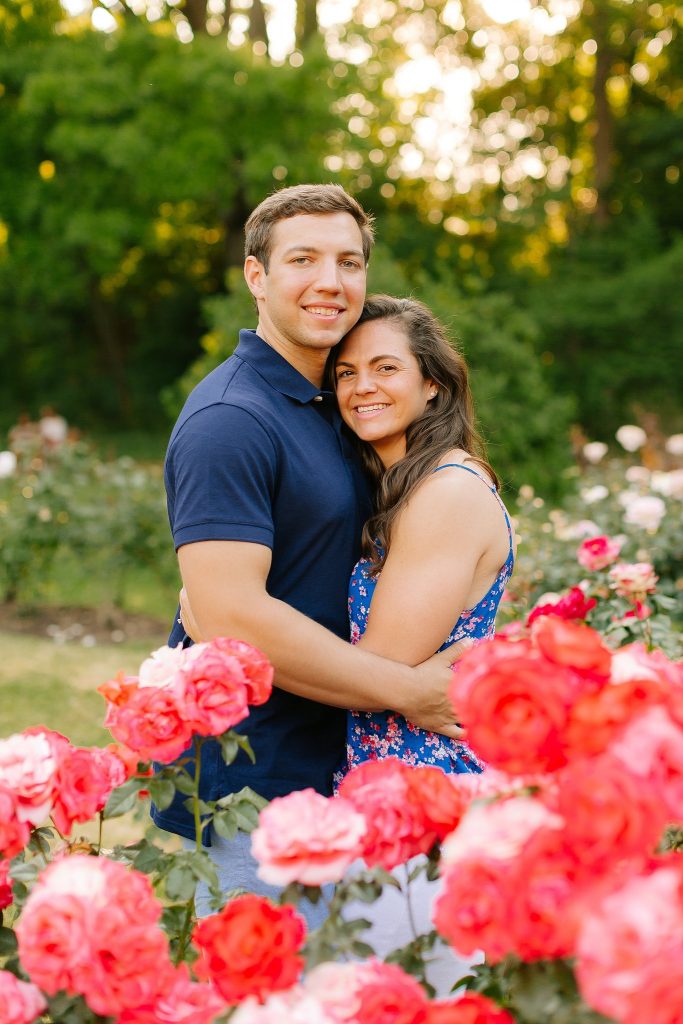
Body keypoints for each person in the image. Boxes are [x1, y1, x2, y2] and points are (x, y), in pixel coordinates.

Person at [153, 184, 462, 923]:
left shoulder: (341, 404)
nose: (331, 281)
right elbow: (234, 616)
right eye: (304, 259)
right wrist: (405, 691)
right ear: (256, 277)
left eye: (349, 262)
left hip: (346, 778)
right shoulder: (233, 418)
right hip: (258, 794)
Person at [330, 295, 515, 987]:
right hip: (388, 797)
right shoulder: (405, 492)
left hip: (424, 808)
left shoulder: (445, 493)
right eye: (346, 373)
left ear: (432, 382)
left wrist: (231, 631)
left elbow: (376, 668)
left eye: (384, 367)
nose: (362, 387)